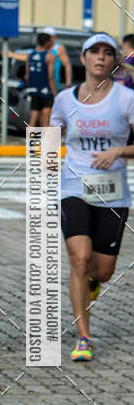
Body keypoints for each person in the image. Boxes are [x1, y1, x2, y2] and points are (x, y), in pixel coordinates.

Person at [50, 33, 134, 362]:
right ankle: (84, 336)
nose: (100, 57)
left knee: (103, 270)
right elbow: (49, 137)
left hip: (113, 193)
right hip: (74, 187)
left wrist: (120, 150)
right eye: (94, 51)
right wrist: (47, 157)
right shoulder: (65, 100)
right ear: (83, 58)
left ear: (113, 61)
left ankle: (92, 288)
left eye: (107, 52)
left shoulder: (126, 99)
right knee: (79, 260)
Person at [26, 31, 56, 128]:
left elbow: (27, 76)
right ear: (47, 42)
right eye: (51, 41)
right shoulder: (49, 56)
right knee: (46, 120)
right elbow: (50, 76)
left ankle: (30, 142)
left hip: (33, 90)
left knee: (33, 119)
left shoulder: (30, 55)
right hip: (46, 90)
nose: (52, 43)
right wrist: (55, 93)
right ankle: (46, 143)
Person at [41, 26, 72, 93]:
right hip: (40, 84)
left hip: (53, 85)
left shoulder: (58, 48)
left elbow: (67, 65)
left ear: (54, 37)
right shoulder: (41, 48)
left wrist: (68, 84)